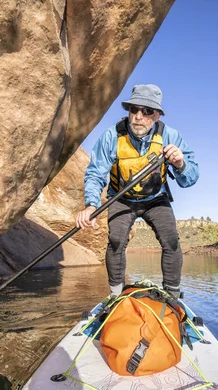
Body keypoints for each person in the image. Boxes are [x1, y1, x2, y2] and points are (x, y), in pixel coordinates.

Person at [75, 84, 199, 298]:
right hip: (121, 198)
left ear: (157, 115)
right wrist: (91, 204)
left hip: (155, 198)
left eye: (147, 111)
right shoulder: (111, 136)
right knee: (116, 241)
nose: (139, 116)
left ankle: (172, 295)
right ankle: (115, 295)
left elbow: (191, 178)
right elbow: (96, 173)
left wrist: (180, 164)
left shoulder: (170, 136)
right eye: (134, 109)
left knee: (170, 240)